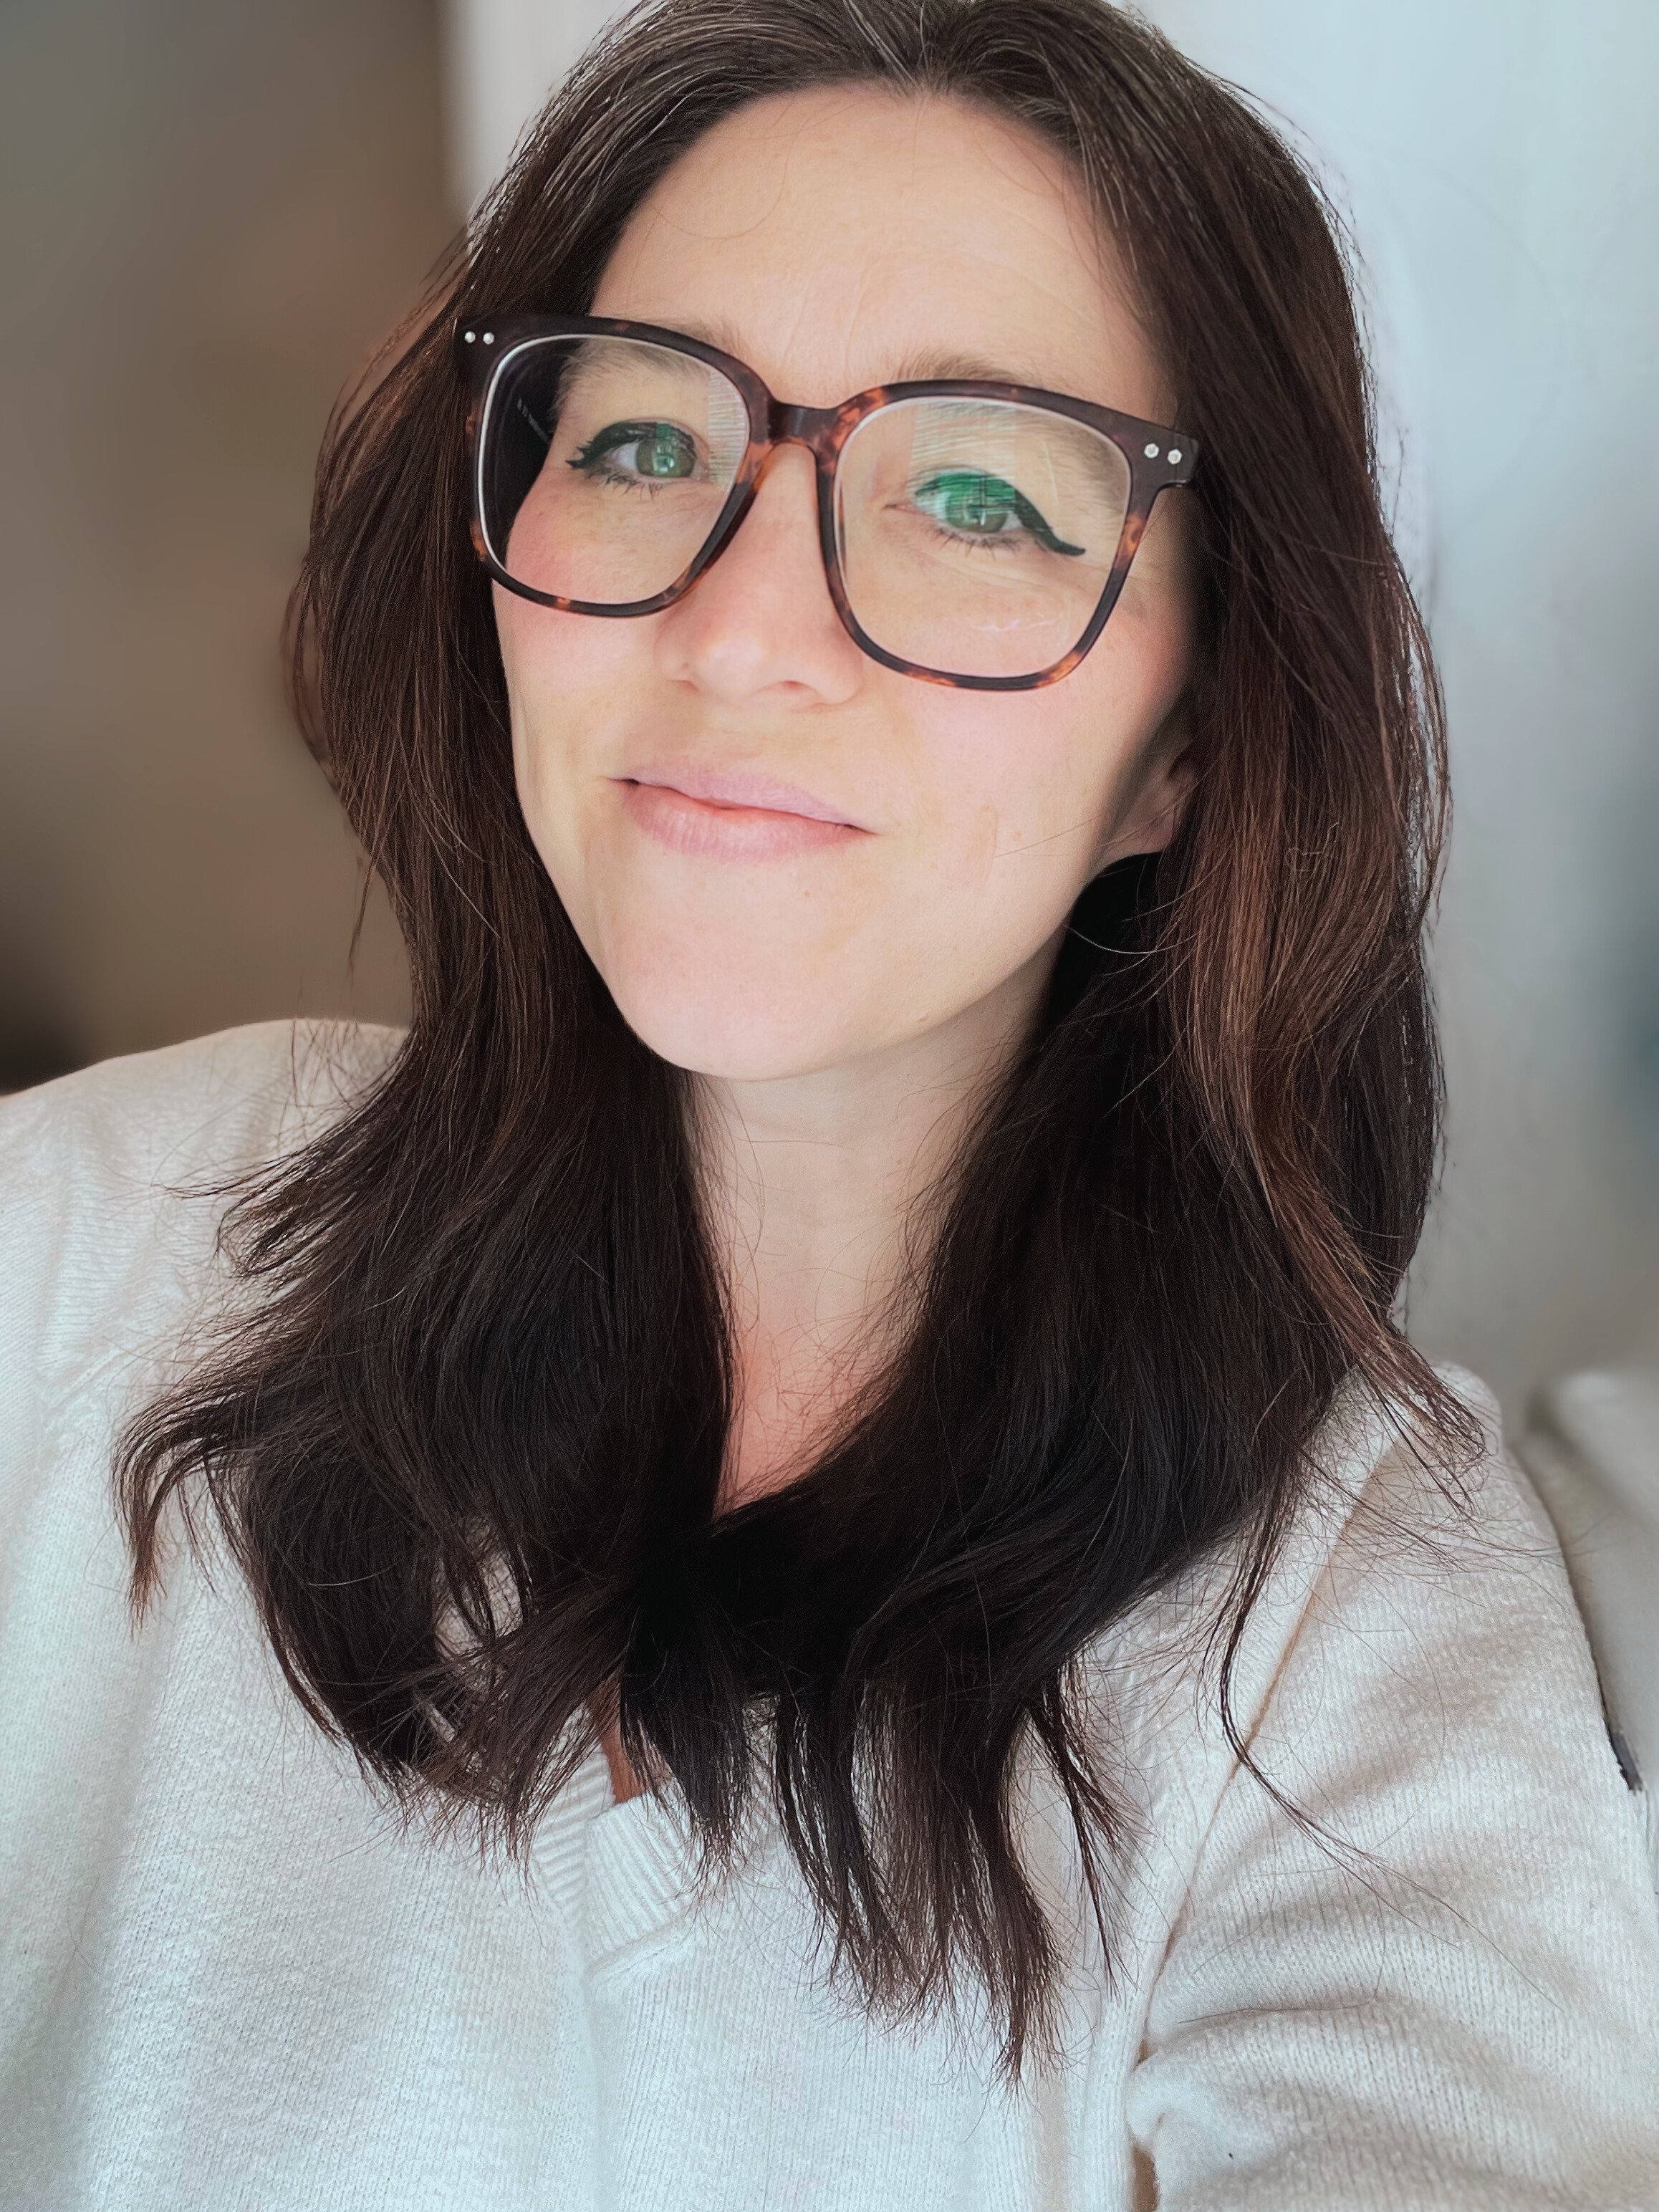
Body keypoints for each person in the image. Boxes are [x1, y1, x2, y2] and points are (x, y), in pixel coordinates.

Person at [2, 0, 1655, 2203]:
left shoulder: (1353, 1605)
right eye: (641, 447)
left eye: (974, 494)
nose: (743, 627)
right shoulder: (85, 1244)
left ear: (1185, 749)